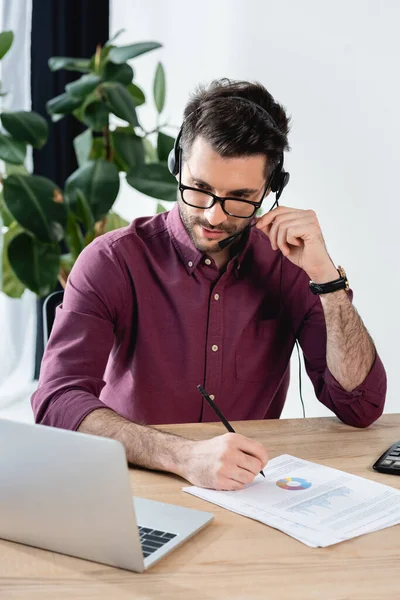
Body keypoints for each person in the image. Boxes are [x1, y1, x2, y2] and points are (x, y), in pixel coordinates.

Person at [31, 79, 386, 491]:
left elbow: (360, 406)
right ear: (176, 165)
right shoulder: (112, 260)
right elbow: (57, 401)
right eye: (199, 189)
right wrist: (182, 455)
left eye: (240, 197)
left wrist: (326, 278)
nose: (214, 217)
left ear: (272, 190)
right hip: (132, 481)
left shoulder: (290, 266)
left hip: (248, 488)